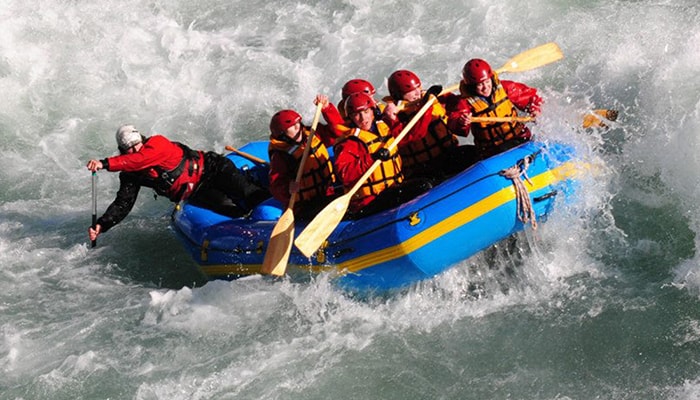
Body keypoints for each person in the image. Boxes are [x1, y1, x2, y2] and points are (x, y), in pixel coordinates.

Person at [86, 125, 270, 241]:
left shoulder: (157, 144)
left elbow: (141, 159)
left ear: (142, 139)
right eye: (129, 148)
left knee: (250, 194)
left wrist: (104, 163)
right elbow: (123, 203)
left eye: (136, 144)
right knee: (232, 210)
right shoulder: (130, 173)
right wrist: (103, 225)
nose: (134, 150)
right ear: (122, 151)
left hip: (213, 168)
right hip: (198, 190)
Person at [327, 92, 431, 218]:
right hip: (368, 201)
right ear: (351, 118)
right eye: (356, 114)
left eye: (366, 112)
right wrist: (372, 158)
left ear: (372, 111)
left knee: (426, 180)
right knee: (421, 187)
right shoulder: (349, 142)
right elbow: (344, 173)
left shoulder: (385, 127)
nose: (363, 118)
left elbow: (414, 134)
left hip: (392, 187)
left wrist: (427, 105)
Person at [382, 69, 477, 179]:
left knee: (472, 153)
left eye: (418, 87)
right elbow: (415, 135)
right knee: (425, 184)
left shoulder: (433, 98)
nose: (418, 92)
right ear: (397, 94)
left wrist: (461, 120)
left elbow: (459, 108)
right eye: (411, 91)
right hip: (422, 167)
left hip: (448, 154)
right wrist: (426, 105)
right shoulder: (394, 115)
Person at [446, 58, 543, 158]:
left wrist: (535, 109)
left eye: (487, 82)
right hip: (491, 150)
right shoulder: (465, 103)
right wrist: (462, 122)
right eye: (480, 84)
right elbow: (455, 124)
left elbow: (532, 97)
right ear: (471, 86)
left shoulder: (506, 88)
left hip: (519, 138)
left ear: (491, 78)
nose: (485, 87)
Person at [267, 94, 339, 220]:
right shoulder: (281, 156)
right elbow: (276, 185)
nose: (298, 128)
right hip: (304, 205)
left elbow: (338, 132)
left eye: (298, 124)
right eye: (292, 127)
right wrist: (288, 188)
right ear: (282, 134)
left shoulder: (312, 134)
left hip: (327, 191)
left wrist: (327, 109)